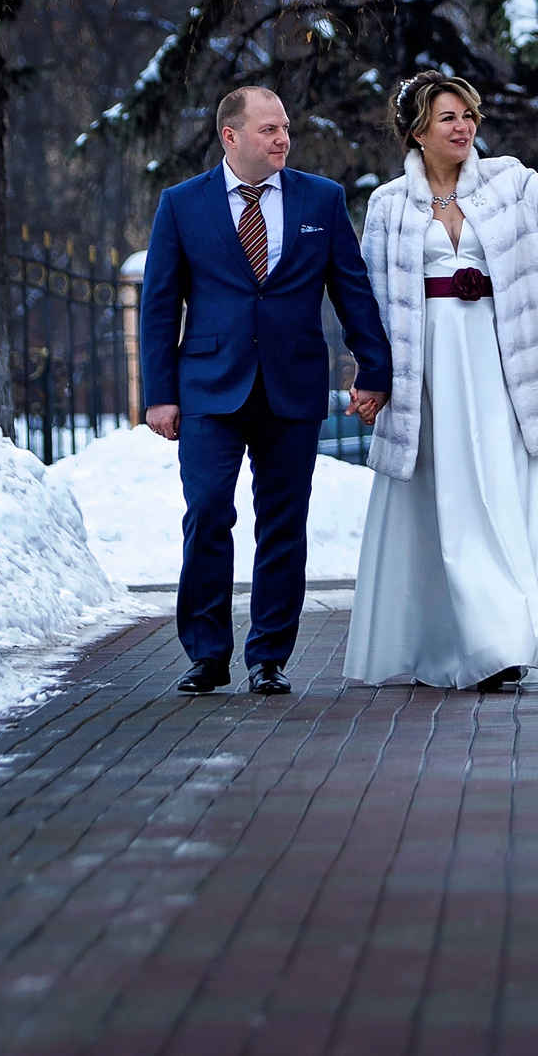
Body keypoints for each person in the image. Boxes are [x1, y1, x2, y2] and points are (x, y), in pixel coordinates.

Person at [344, 72, 538, 692]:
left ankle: (504, 642)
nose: (463, 128)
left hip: (500, 359)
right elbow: (370, 301)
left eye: (469, 116)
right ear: (416, 131)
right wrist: (372, 376)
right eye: (448, 117)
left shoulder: (508, 181)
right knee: (441, 496)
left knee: (499, 491)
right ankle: (451, 640)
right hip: (427, 369)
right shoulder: (387, 206)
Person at [140, 86, 393, 697]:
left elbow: (352, 292)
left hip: (292, 386)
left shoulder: (322, 199)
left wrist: (374, 371)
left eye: (286, 128)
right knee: (207, 514)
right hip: (208, 389)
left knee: (284, 523)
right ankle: (206, 653)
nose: (283, 138)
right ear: (231, 137)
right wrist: (159, 393)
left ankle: (269, 657)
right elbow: (157, 303)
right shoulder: (182, 204)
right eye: (269, 129)